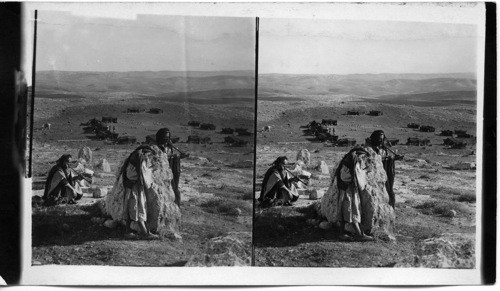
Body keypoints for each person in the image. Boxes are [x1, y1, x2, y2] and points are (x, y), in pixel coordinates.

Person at [334, 130, 402, 241]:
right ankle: (354, 234)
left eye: (382, 139)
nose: (380, 141)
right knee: (349, 208)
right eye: (379, 139)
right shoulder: (357, 158)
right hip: (346, 186)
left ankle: (356, 233)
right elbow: (356, 175)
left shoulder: (357, 156)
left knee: (353, 208)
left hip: (349, 185)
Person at [121, 145, 159, 240]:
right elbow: (143, 174)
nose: (149, 157)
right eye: (148, 155)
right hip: (133, 187)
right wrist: (152, 168)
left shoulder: (136, 158)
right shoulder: (140, 159)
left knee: (138, 208)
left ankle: (143, 231)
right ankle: (134, 232)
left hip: (134, 186)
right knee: (135, 208)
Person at [155, 128, 188, 206]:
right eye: (165, 138)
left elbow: (171, 156)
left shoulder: (169, 147)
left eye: (168, 137)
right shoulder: (156, 147)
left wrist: (180, 156)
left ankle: (176, 206)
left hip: (171, 170)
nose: (166, 139)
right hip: (160, 172)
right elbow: (160, 158)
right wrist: (176, 156)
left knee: (175, 188)